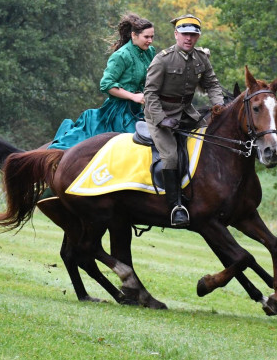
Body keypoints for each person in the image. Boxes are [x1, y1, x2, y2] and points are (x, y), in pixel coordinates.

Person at [143, 14, 225, 227]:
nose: (189, 38)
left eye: (193, 35)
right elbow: (149, 94)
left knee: (215, 141)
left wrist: (219, 107)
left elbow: (213, 85)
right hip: (159, 113)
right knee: (170, 157)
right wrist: (161, 119)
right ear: (176, 34)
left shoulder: (201, 58)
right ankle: (175, 206)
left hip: (186, 113)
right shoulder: (162, 59)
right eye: (185, 34)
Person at [49, 14, 156, 150]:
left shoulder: (149, 52)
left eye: (152, 37)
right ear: (134, 35)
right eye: (146, 37)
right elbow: (106, 84)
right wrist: (133, 96)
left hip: (139, 109)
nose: (150, 40)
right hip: (118, 112)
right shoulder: (121, 55)